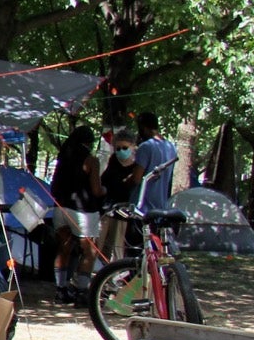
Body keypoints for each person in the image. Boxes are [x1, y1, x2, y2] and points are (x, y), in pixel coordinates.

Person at [49, 127, 105, 302]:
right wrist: (105, 190)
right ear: (89, 142)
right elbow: (95, 189)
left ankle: (61, 289)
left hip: (60, 208)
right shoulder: (91, 160)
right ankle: (81, 291)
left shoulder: (63, 157)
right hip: (83, 211)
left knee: (63, 249)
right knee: (89, 251)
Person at [98, 128, 140, 260]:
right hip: (107, 209)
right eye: (118, 148)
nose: (121, 151)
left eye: (124, 147)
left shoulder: (138, 166)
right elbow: (104, 182)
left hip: (124, 212)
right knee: (100, 244)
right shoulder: (113, 161)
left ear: (133, 146)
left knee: (117, 248)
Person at [134, 113, 178, 214]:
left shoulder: (146, 147)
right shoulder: (171, 147)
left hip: (142, 207)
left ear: (143, 128)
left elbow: (136, 179)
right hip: (160, 206)